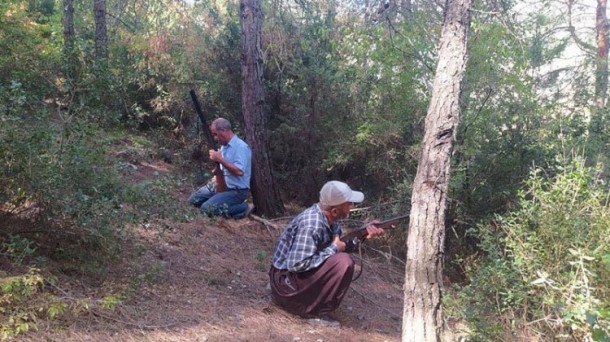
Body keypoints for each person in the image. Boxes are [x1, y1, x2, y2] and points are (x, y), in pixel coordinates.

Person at [269, 180, 384, 319]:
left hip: (290, 280)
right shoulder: (312, 224)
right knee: (343, 262)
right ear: (335, 211)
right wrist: (334, 249)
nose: (352, 206)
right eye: (349, 203)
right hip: (285, 286)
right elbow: (296, 264)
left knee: (341, 259)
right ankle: (312, 311)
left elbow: (342, 245)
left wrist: (363, 233)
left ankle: (311, 305)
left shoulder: (330, 219)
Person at [188, 117, 253, 219]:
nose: (215, 138)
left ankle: (243, 208)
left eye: (215, 134)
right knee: (193, 200)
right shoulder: (224, 147)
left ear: (223, 130)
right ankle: (218, 201)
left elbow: (239, 171)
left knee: (206, 209)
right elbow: (223, 170)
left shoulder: (240, 147)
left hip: (236, 191)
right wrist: (217, 169)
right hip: (222, 186)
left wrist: (220, 159)